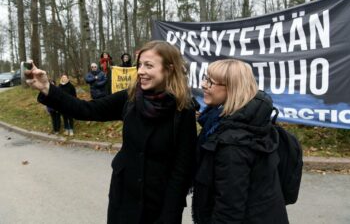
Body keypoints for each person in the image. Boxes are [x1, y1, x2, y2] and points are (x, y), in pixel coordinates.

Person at [25, 40, 197, 224]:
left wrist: (169, 215)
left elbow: (182, 169)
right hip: (123, 199)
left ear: (169, 69)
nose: (140, 71)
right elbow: (87, 109)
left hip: (160, 206)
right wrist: (47, 88)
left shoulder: (183, 109)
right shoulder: (130, 98)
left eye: (149, 65)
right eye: (139, 65)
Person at [192, 59, 289, 224]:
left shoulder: (233, 143)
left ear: (232, 88)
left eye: (210, 81)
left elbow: (229, 209)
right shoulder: (243, 121)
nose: (203, 84)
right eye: (205, 78)